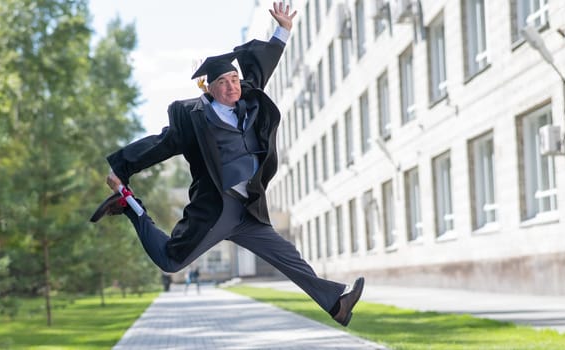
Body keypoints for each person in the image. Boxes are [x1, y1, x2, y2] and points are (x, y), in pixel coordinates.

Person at [91, 2, 363, 327]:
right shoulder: (192, 118)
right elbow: (160, 144)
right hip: (217, 209)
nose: (232, 86)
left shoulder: (249, 99)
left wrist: (283, 30)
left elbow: (263, 65)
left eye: (235, 78)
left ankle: (336, 304)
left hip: (248, 210)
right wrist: (121, 169)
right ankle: (131, 207)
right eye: (223, 82)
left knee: (287, 255)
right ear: (209, 86)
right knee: (170, 261)